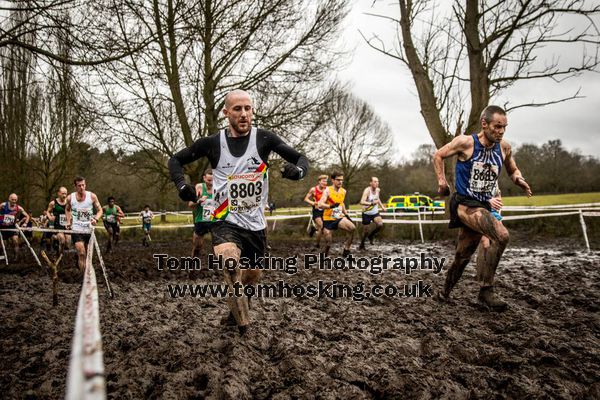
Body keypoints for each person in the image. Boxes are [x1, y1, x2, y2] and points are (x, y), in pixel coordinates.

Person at [168, 89, 309, 333]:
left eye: (248, 108)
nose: (244, 114)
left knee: (252, 276)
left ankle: (235, 312)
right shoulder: (213, 143)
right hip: (224, 219)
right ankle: (244, 325)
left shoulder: (264, 139)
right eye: (237, 109)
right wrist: (182, 186)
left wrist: (298, 173)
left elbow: (301, 159)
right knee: (231, 263)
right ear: (226, 113)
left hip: (255, 223)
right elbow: (175, 161)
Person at [433, 105, 532, 310]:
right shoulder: (466, 143)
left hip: (485, 204)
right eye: (497, 126)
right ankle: (486, 291)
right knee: (501, 235)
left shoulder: (504, 147)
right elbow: (438, 155)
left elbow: (512, 169)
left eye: (505, 127)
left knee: (463, 256)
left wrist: (519, 179)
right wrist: (442, 182)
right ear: (484, 124)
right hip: (465, 204)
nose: (501, 131)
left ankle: (444, 293)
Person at [65, 177, 103, 272]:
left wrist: (96, 219)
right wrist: (69, 221)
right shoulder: (70, 198)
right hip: (77, 228)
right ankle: (83, 276)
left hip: (89, 228)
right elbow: (67, 209)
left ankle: (86, 272)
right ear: (75, 186)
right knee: (82, 253)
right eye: (79, 185)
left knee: (88, 255)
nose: (82, 187)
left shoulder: (92, 196)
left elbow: (100, 210)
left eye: (83, 185)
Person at [318, 171, 355, 257]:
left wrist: (346, 215)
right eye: (338, 180)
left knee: (352, 228)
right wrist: (330, 206)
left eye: (341, 180)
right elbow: (320, 204)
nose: (340, 182)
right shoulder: (328, 190)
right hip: (327, 218)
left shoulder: (343, 191)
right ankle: (324, 256)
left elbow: (342, 203)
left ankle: (346, 250)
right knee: (328, 243)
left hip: (337, 216)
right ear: (333, 180)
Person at [190, 169, 214, 257]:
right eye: (209, 180)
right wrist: (199, 200)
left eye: (213, 180)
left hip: (215, 221)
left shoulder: (219, 187)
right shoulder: (199, 187)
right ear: (204, 178)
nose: (211, 183)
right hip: (201, 220)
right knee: (197, 246)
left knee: (219, 246)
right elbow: (190, 204)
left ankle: (221, 268)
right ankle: (193, 265)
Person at [359, 177, 386, 249]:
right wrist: (371, 203)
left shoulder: (378, 190)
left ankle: (371, 235)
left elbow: (377, 199)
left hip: (374, 212)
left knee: (380, 224)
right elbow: (361, 201)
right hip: (366, 213)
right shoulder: (367, 191)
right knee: (365, 232)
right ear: (370, 183)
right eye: (375, 181)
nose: (377, 183)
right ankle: (362, 244)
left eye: (377, 181)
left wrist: (382, 207)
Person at [0, 193, 30, 260]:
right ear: (9, 199)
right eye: (12, 199)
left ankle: (16, 258)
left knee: (15, 241)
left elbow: (27, 216)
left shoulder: (18, 208)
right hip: (3, 227)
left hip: (12, 227)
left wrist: (25, 223)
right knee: (2, 245)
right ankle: (2, 256)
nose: (13, 201)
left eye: (15, 200)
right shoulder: (3, 205)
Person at [303, 175, 328, 249]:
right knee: (322, 226)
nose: (325, 183)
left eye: (326, 181)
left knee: (322, 228)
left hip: (325, 210)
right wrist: (313, 203)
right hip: (316, 210)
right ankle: (318, 244)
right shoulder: (313, 189)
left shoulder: (327, 189)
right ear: (319, 181)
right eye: (323, 181)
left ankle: (314, 230)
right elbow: (306, 199)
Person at [44, 187, 70, 254]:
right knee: (62, 240)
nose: (64, 195)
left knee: (67, 243)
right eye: (62, 193)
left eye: (65, 194)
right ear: (58, 193)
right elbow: (48, 211)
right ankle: (59, 255)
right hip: (57, 225)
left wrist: (70, 219)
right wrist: (50, 217)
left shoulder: (68, 202)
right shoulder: (53, 203)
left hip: (66, 225)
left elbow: (71, 212)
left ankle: (55, 240)